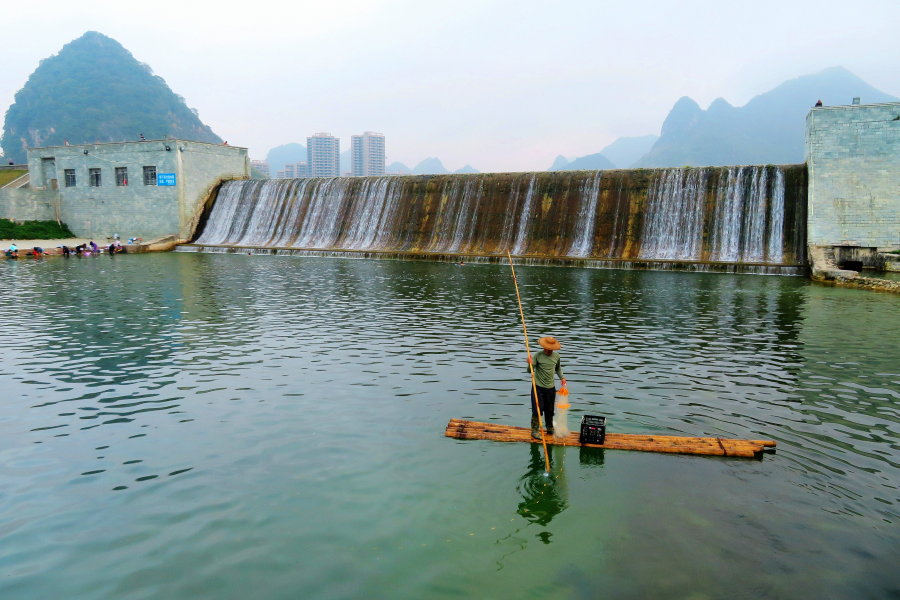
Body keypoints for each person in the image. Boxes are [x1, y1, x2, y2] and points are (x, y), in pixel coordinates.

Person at [526, 336, 566, 439]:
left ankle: (549, 428)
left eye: (550, 349)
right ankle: (534, 431)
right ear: (544, 347)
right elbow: (530, 371)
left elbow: (558, 369)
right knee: (537, 409)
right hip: (538, 387)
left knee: (550, 409)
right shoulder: (538, 356)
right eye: (547, 348)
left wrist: (562, 378)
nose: (548, 350)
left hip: (550, 388)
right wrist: (529, 363)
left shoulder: (556, 357)